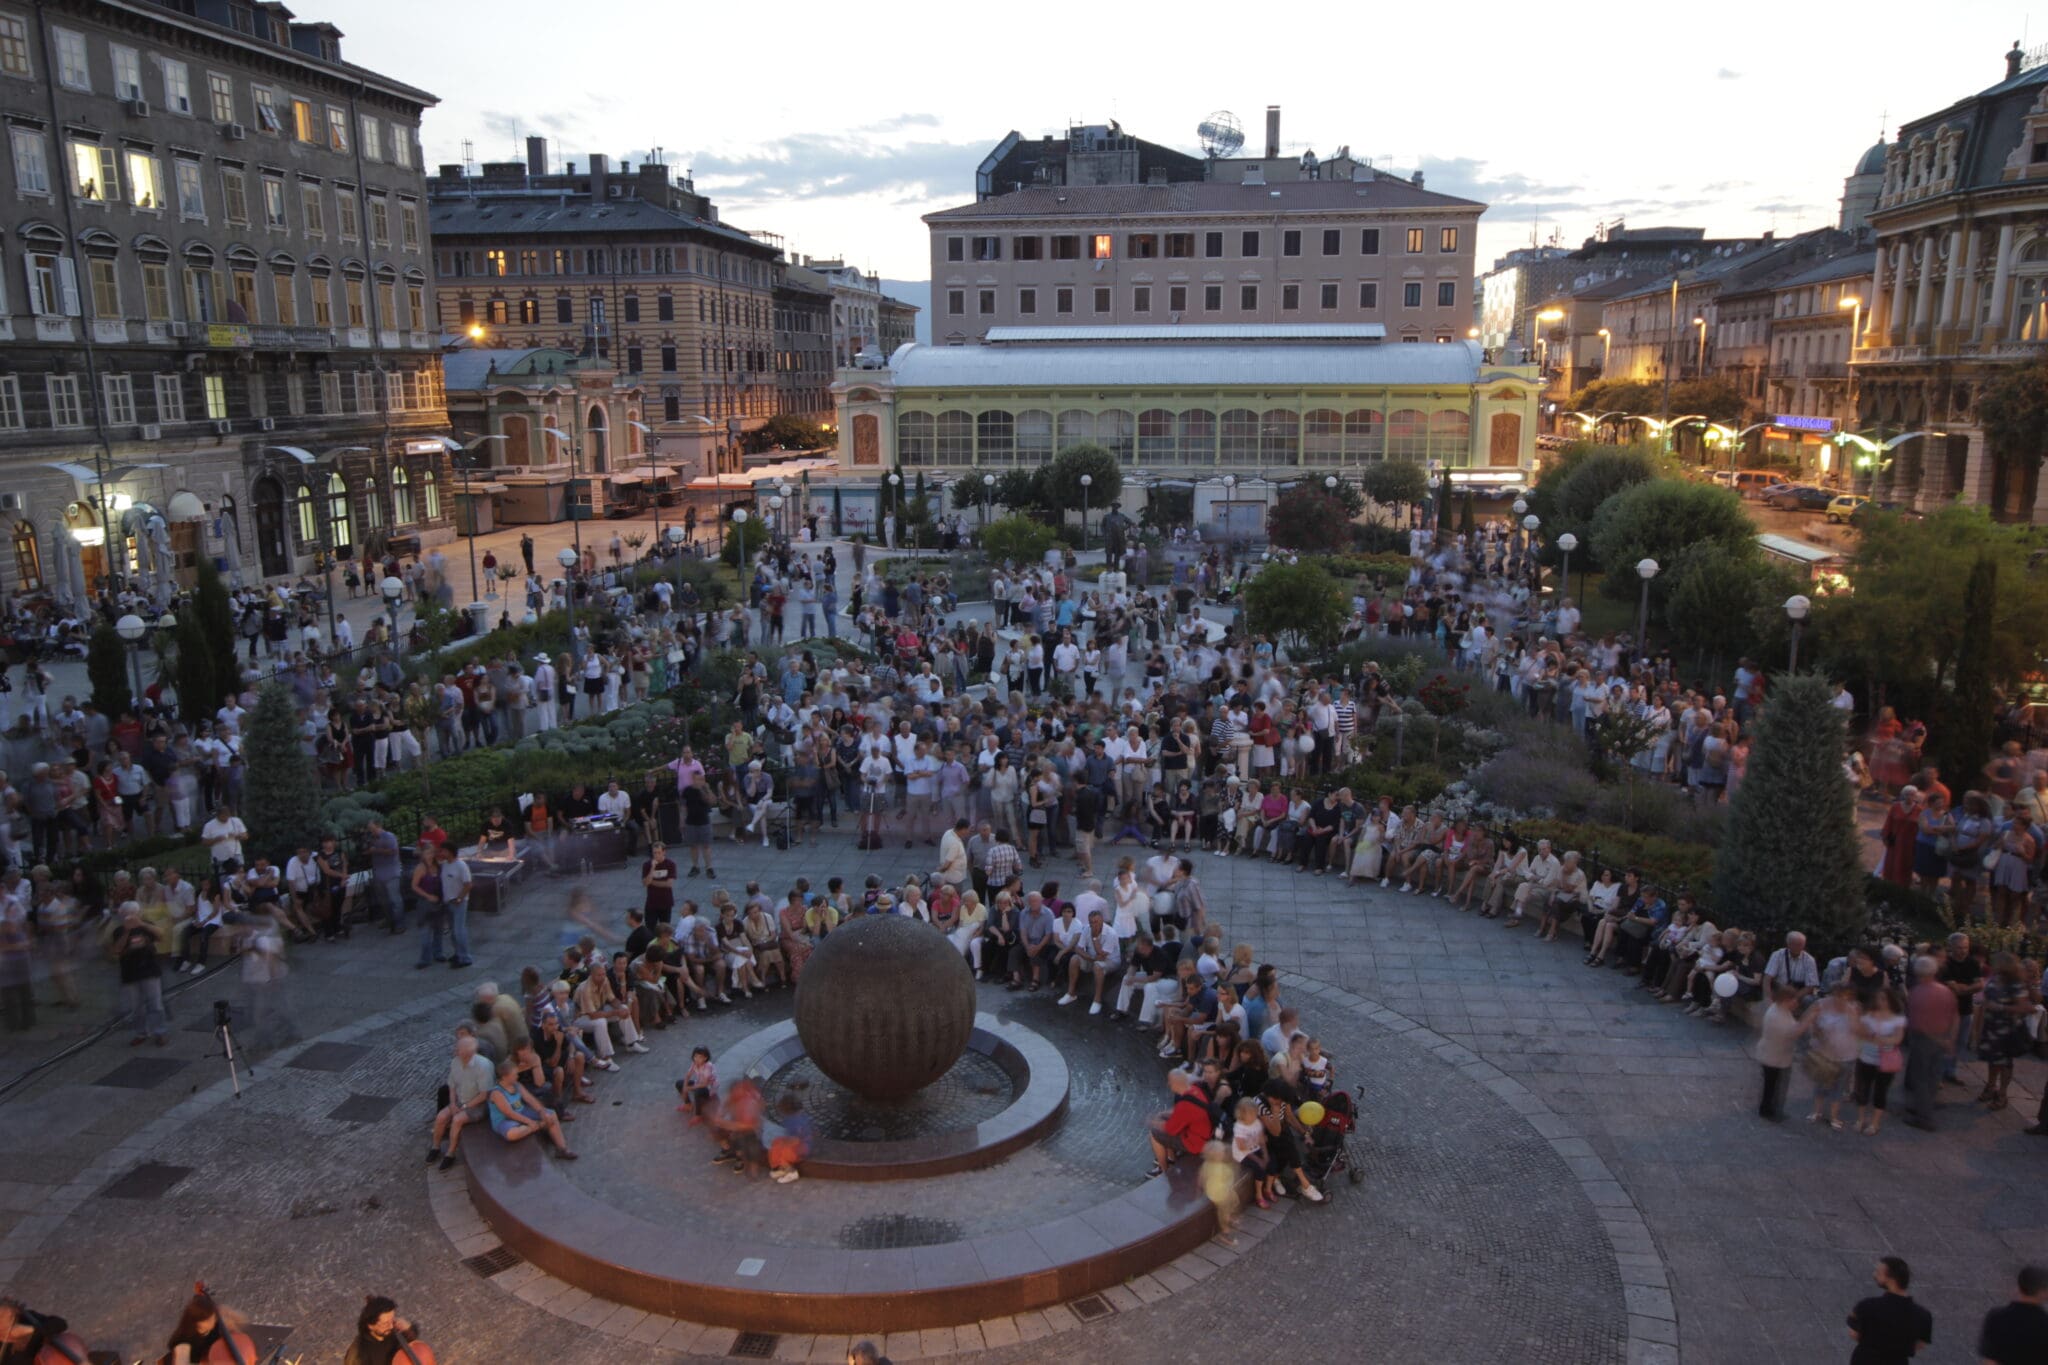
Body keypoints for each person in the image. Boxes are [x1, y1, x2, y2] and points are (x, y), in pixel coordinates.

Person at [1900, 955, 1957, 1132]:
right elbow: (1955, 1016)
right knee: (1933, 1075)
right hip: (1943, 1036)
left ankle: (1924, 1117)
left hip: (1924, 1039)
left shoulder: (1917, 993)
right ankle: (1924, 1105)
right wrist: (1950, 1039)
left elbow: (1918, 1023)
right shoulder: (1946, 991)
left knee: (1921, 1077)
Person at [485, 1055, 578, 1159]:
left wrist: (541, 1111)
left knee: (550, 1114)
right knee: (512, 1134)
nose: (517, 1076)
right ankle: (541, 1125)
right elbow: (509, 1113)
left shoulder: (516, 1085)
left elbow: (530, 1099)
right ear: (505, 1077)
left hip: (521, 1111)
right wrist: (530, 1122)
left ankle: (562, 1149)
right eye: (514, 1075)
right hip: (504, 1120)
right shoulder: (496, 1093)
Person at [429, 1030, 496, 1171]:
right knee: (441, 1116)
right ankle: (435, 1147)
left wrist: (464, 1106)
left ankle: (450, 1153)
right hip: (461, 1100)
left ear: (466, 1053)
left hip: (479, 1104)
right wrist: (453, 1103)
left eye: (458, 1049)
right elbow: (452, 1086)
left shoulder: (484, 1066)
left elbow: (484, 1095)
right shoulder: (455, 1062)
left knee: (457, 1120)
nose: (455, 1050)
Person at [1845, 1256, 1931, 1365]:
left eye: (1878, 1272)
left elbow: (1854, 1333)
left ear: (1891, 1279)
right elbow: (1921, 1344)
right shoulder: (1923, 1315)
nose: (1874, 1275)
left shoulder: (1867, 1306)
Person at [1145, 1068, 1212, 1177]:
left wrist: (1152, 1122)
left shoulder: (1184, 1105)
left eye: (1170, 1082)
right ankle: (1171, 1159)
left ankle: (1164, 1170)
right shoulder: (1195, 1090)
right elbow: (1178, 1113)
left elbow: (1170, 1129)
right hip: (1202, 1134)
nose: (1169, 1084)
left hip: (1195, 1144)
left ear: (1177, 1084)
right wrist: (1162, 1115)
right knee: (1163, 1120)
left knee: (1154, 1134)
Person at [1977, 1265, 2048, 1365]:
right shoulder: (2044, 1324)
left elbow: (1990, 1361)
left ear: (2019, 1286)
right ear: (2043, 1292)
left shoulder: (1997, 1317)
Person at [342, 1296, 424, 1365]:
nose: (391, 1326)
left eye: (392, 1320)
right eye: (385, 1323)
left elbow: (411, 1343)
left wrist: (409, 1329)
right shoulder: (359, 1355)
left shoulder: (390, 1332)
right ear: (371, 1326)